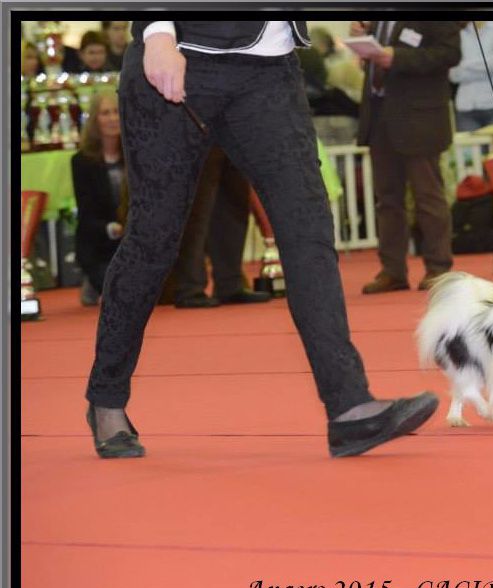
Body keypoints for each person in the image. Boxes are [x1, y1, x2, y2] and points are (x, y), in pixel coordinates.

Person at [84, 20, 438, 460]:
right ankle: (107, 396)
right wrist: (156, 30)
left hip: (270, 67)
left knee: (308, 227)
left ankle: (350, 406)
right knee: (154, 239)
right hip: (183, 51)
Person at [349, 20, 461, 294]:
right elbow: (378, 57)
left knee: (428, 196)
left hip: (419, 117)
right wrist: (363, 39)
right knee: (387, 200)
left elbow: (449, 54)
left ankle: (438, 269)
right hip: (380, 116)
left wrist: (396, 57)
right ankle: (392, 271)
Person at [159, 146, 272, 308]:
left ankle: (230, 284)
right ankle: (190, 288)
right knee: (196, 206)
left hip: (236, 129)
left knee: (235, 200)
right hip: (196, 128)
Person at [71, 92, 125, 306]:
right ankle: (95, 280)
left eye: (116, 112)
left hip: (133, 243)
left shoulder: (135, 154)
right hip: (100, 244)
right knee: (120, 293)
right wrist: (112, 228)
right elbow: (86, 215)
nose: (113, 118)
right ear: (94, 120)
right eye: (105, 113)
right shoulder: (81, 162)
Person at [449, 21, 493, 132]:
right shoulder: (459, 33)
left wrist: (464, 65)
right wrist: (486, 66)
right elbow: (452, 74)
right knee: (468, 148)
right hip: (466, 108)